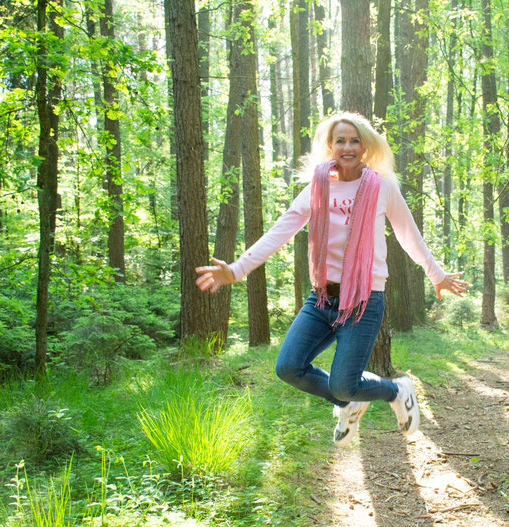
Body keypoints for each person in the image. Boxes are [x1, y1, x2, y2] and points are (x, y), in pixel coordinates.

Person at [195, 111, 466, 447]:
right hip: (322, 298)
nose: (348, 147)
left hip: (364, 301)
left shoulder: (383, 187)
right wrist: (236, 269)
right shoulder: (318, 187)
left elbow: (409, 235)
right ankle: (350, 402)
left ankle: (397, 390)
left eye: (355, 140)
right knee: (289, 367)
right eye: (340, 140)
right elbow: (281, 229)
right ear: (330, 145)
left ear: (366, 146)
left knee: (343, 383)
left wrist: (436, 275)